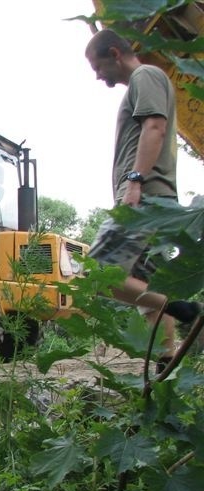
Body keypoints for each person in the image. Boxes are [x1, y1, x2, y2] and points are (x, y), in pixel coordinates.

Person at [84, 29, 201, 366]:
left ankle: (189, 311)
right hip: (156, 201)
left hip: (144, 199)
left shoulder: (145, 76)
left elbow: (155, 127)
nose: (97, 75)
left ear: (114, 53)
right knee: (149, 291)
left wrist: (134, 182)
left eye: (97, 65)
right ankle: (165, 366)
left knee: (99, 274)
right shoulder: (147, 80)